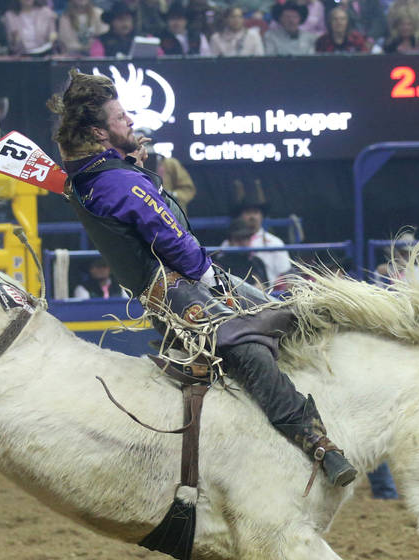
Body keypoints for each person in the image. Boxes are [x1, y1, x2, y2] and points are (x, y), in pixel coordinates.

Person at [48, 70, 357, 489]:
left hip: (179, 284)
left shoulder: (98, 177)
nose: (131, 122)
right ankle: (314, 440)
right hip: (180, 290)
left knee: (283, 316)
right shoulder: (115, 182)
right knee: (248, 352)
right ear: (101, 133)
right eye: (122, 118)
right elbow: (166, 233)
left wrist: (132, 166)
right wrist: (208, 275)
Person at [228, 179, 291, 289]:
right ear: (240, 216)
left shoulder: (275, 243)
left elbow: (285, 275)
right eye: (248, 212)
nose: (252, 217)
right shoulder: (229, 243)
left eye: (256, 212)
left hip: (269, 295)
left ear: (262, 216)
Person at [138, 131, 196, 207]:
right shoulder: (128, 165)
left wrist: (171, 195)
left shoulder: (170, 164)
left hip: (169, 213)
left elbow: (188, 189)